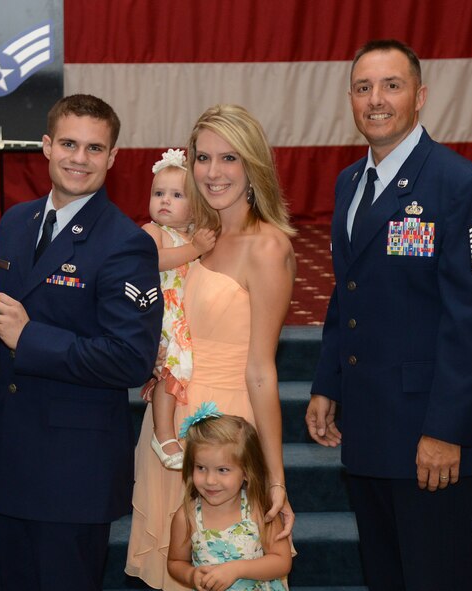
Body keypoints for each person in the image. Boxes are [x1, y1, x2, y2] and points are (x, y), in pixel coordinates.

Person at [0, 94, 162, 591]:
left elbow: (131, 360)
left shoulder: (125, 244)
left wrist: (32, 338)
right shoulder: (16, 222)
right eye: (68, 143)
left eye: (94, 148)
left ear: (112, 157)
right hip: (14, 457)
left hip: (74, 474)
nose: (78, 159)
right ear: (46, 146)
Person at [305, 39, 472, 591]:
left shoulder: (460, 186)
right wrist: (328, 383)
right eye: (364, 87)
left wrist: (445, 431)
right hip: (369, 427)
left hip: (430, 435)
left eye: (391, 86)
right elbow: (348, 294)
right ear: (350, 97)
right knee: (388, 577)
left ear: (419, 97)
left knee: (437, 579)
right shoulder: (350, 183)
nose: (377, 99)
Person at [127, 104, 296, 591]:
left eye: (229, 158)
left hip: (227, 430)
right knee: (176, 571)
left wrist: (276, 479)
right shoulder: (189, 236)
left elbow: (262, 370)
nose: (213, 172)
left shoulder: (268, 247)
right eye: (203, 157)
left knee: (231, 571)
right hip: (169, 430)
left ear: (252, 165)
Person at [140, 148, 217, 470]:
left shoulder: (191, 237)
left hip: (186, 319)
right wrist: (194, 249)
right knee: (168, 375)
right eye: (158, 193)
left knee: (182, 373)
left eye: (176, 195)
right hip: (160, 318)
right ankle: (163, 434)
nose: (164, 201)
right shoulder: (152, 232)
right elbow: (154, 261)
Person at [168, 405, 292, 591]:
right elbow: (176, 561)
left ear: (246, 472)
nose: (210, 480)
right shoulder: (187, 516)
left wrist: (236, 569)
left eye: (222, 470)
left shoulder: (260, 509)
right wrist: (191, 575)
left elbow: (282, 561)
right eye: (201, 468)